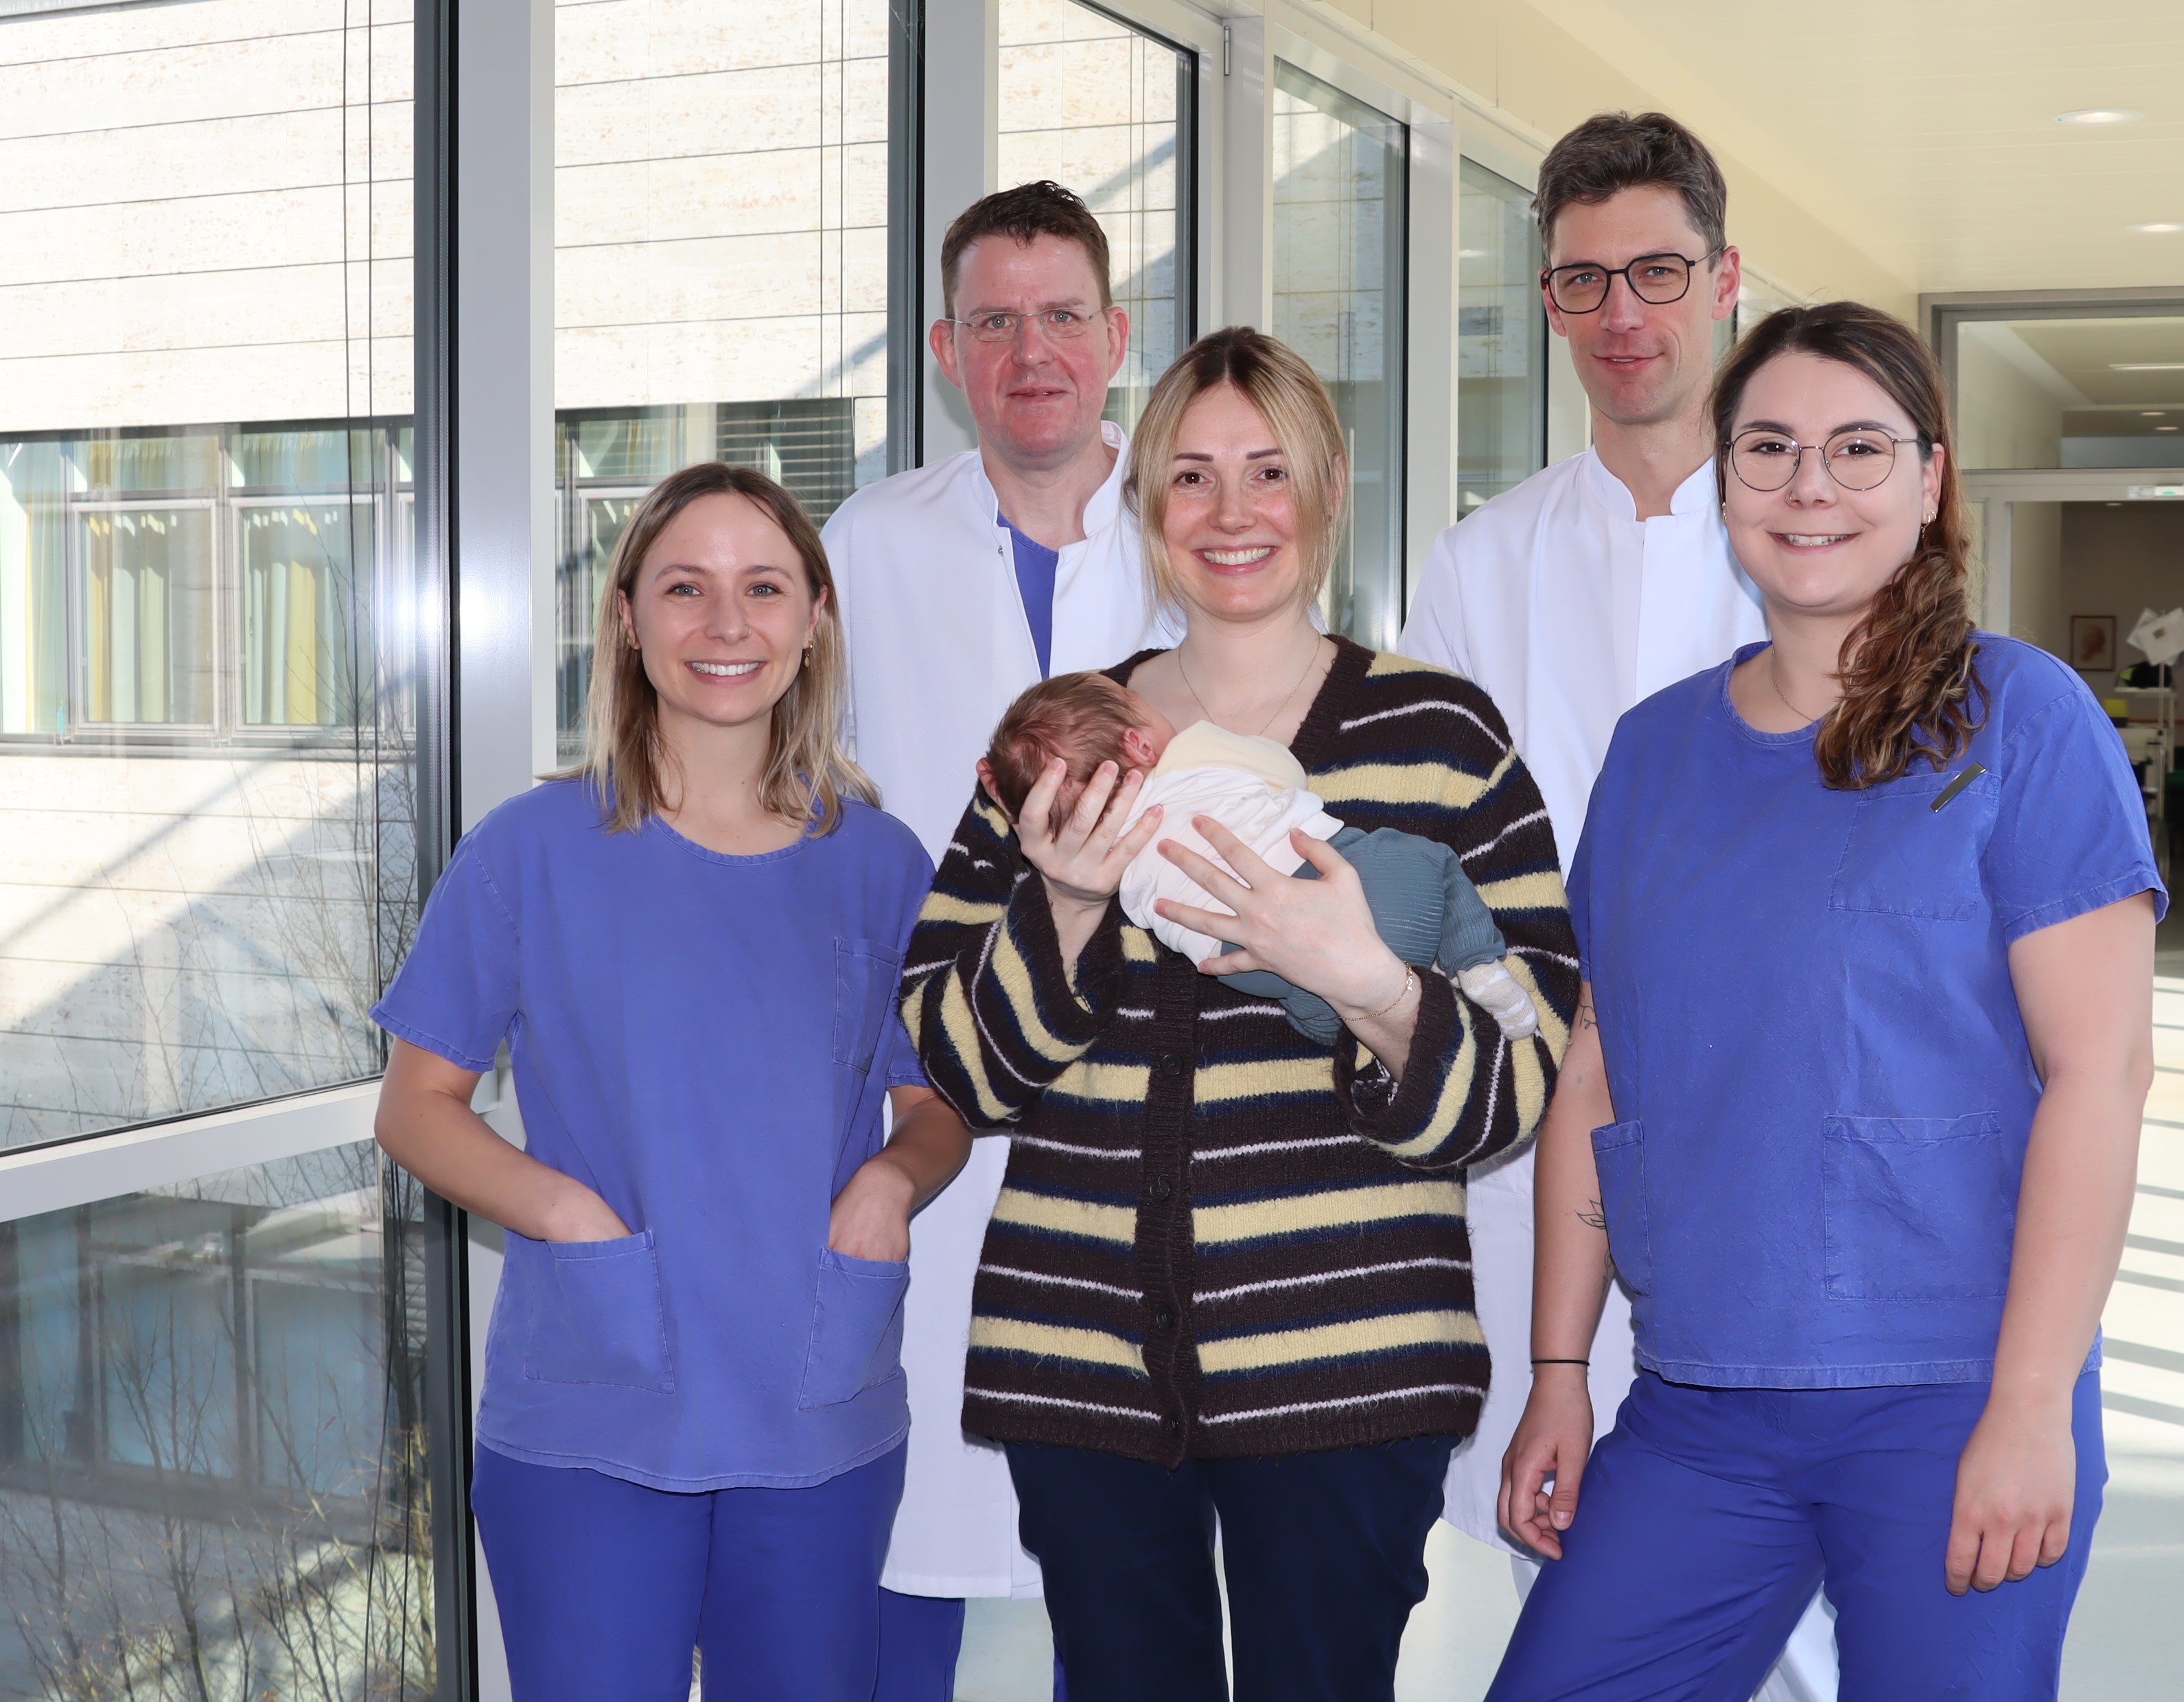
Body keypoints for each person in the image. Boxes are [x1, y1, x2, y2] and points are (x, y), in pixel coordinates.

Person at [1488, 302, 2162, 1700]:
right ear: (1724, 479)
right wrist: (1559, 1368)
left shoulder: (2019, 719)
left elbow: (2101, 1073)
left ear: (1929, 479)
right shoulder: (1654, 753)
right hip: (1699, 1401)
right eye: (1771, 448)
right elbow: (1598, 1071)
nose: (1811, 486)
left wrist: (2033, 1403)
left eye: (1859, 448)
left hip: (1952, 1393)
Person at [901, 327, 1577, 1702]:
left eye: (1268, 470)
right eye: (1192, 476)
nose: (1231, 513)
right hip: (1083, 1364)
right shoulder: (1064, 739)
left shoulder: (1445, 737)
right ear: (1147, 502)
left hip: (1349, 1368)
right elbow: (958, 1065)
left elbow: (1524, 1077)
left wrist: (1368, 982)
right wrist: (1068, 905)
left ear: (1325, 487)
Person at [368, 464, 970, 1701]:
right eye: (685, 588)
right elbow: (414, 1107)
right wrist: (565, 1212)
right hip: (595, 1409)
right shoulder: (528, 851)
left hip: (816, 1404)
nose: (726, 623)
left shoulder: (882, 862)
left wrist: (891, 1184)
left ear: (815, 621)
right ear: (628, 620)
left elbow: (939, 1104)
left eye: (765, 588)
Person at [1395, 110, 1837, 1695]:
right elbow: (1434, 863)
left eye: (1658, 271)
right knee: (1574, 1561)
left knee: (1809, 1610)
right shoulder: (1481, 566)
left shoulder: (1821, 538)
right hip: (1551, 1143)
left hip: (1792, 1136)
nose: (1622, 314)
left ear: (1726, 280)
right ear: (1548, 299)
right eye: (1583, 280)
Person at [819, 180, 1169, 1691]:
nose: (1034, 352)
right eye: (996, 321)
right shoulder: (868, 544)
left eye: (1064, 316)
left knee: (1143, 1562)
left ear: (1118, 337)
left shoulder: (1193, 530)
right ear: (947, 351)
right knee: (915, 1523)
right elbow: (807, 792)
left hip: (1161, 1092)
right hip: (935, 1087)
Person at [980, 669, 1539, 1044]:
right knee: (1431, 859)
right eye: (1140, 706)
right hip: (1342, 881)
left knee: (1311, 1006)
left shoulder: (1100, 862)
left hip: (1243, 961)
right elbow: (1285, 771)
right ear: (1139, 744)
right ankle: (1476, 963)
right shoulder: (1193, 749)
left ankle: (1348, 1002)